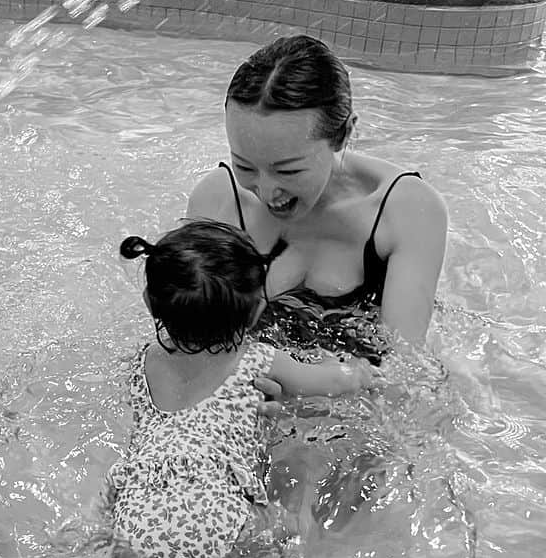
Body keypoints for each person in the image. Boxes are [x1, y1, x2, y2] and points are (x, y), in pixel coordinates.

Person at [105, 221, 374, 558]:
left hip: (134, 516)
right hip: (217, 520)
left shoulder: (141, 362)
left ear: (149, 303)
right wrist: (356, 370)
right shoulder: (259, 359)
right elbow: (334, 383)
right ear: (254, 312)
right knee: (294, 526)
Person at [185, 36, 447, 354]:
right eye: (245, 166)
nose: (266, 193)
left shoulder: (404, 210)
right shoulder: (219, 201)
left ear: (343, 134)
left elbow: (401, 367)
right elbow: (188, 341)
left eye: (288, 171)